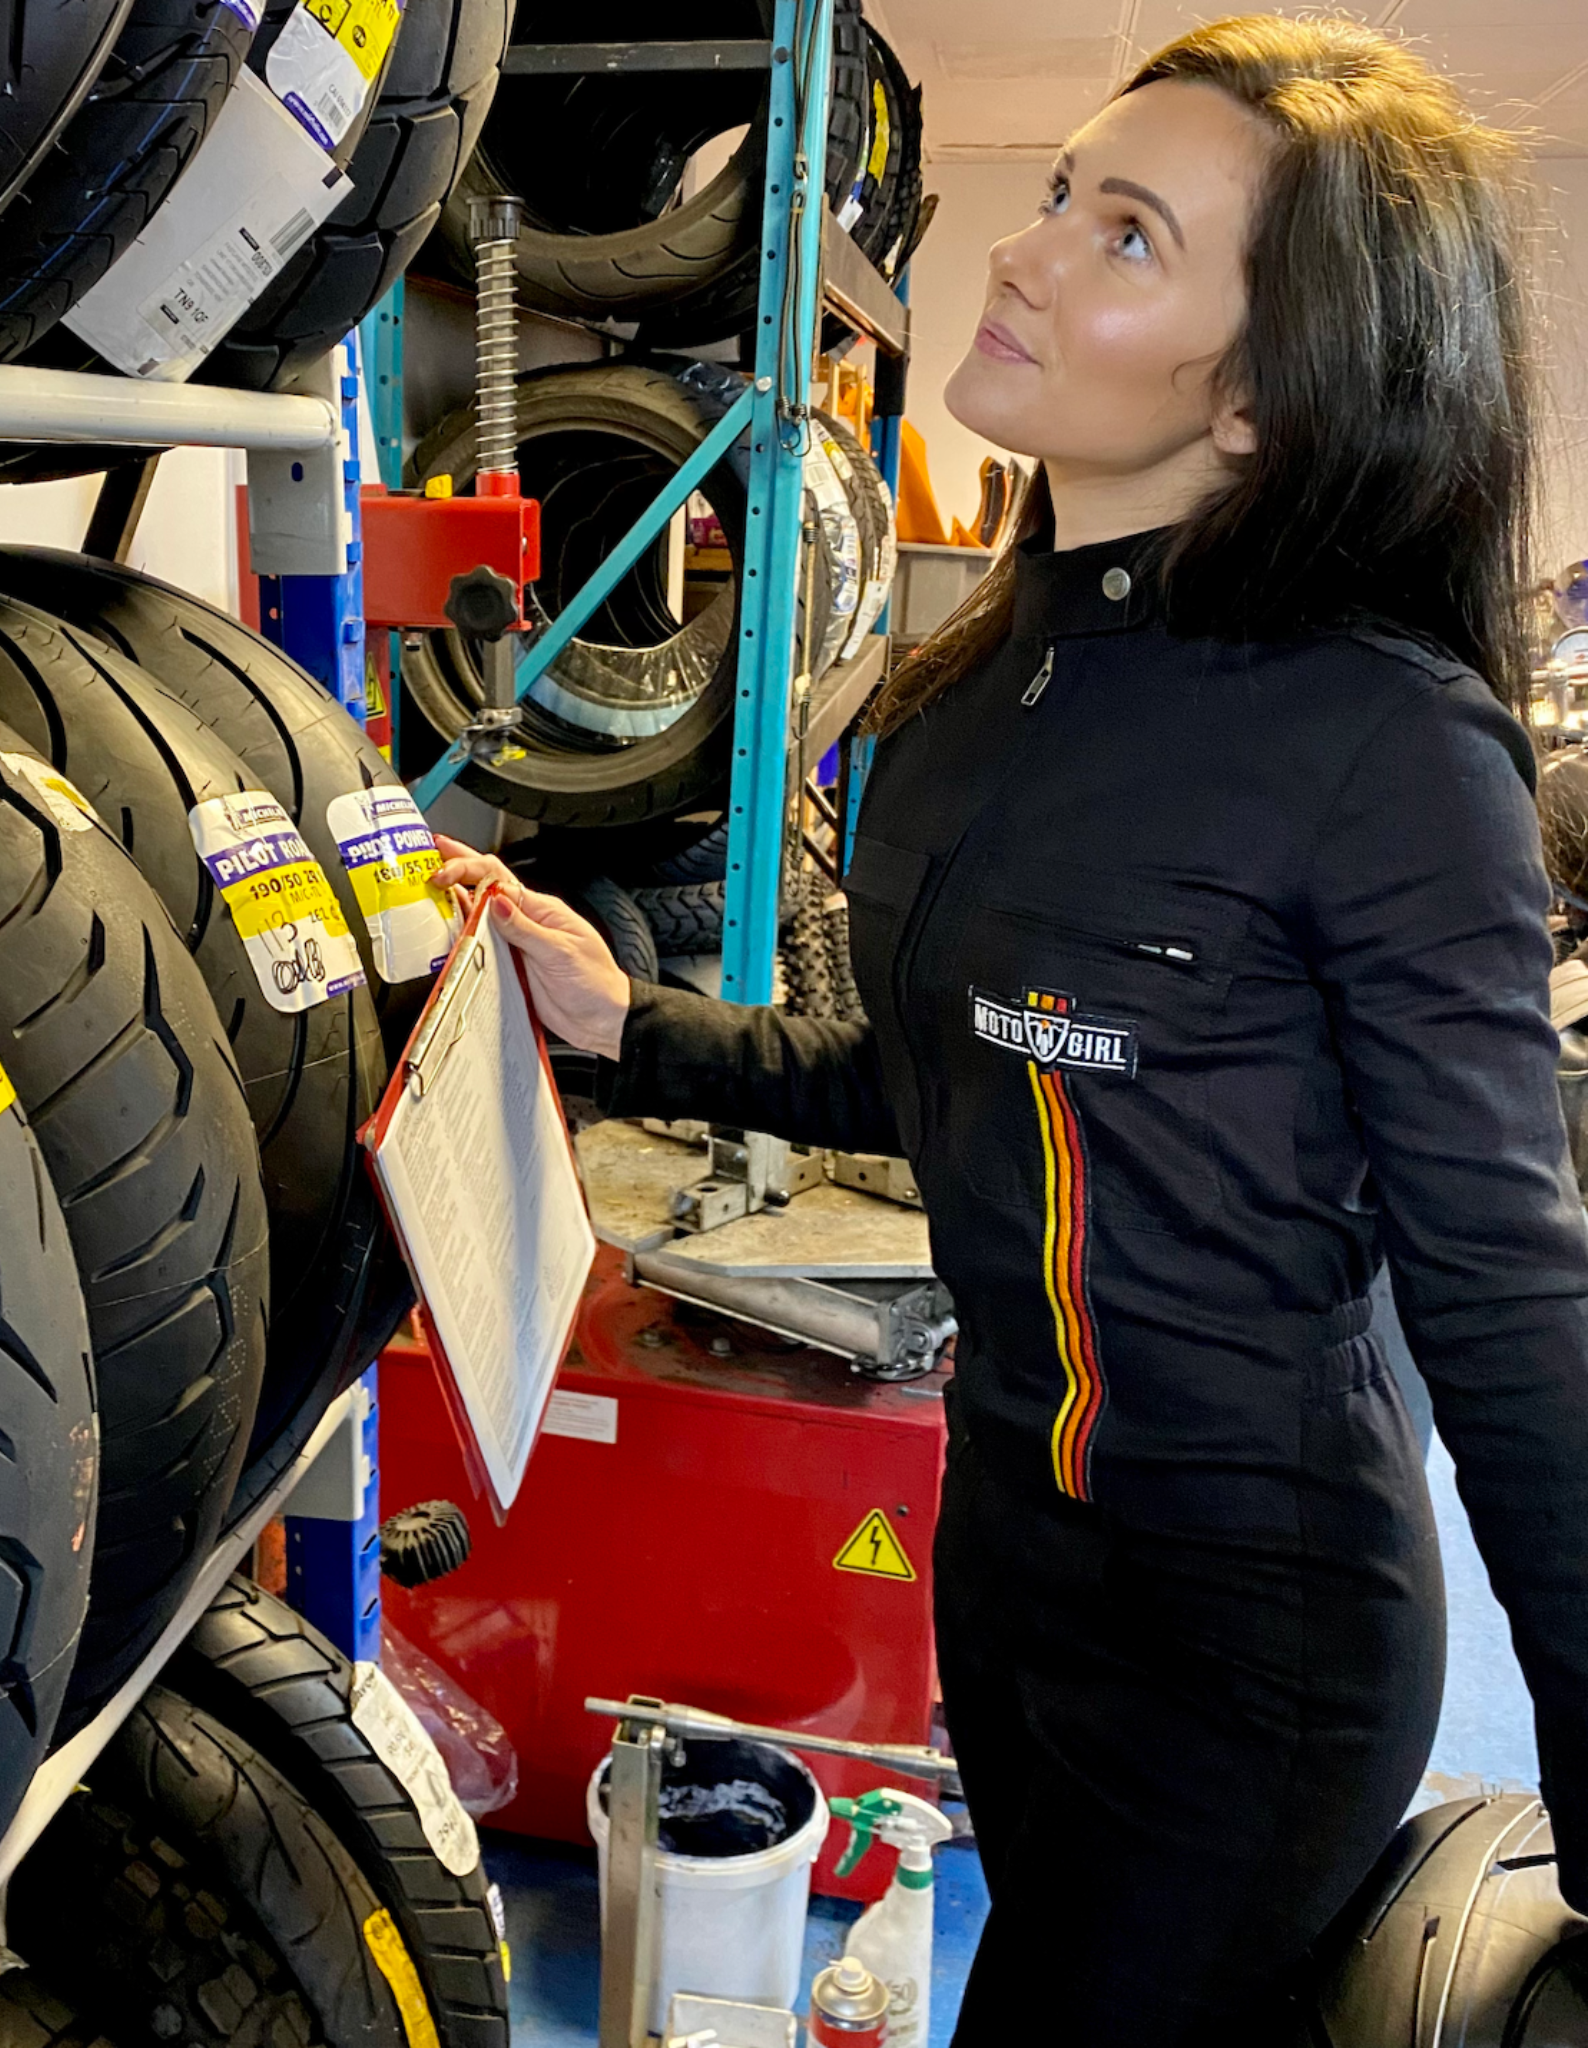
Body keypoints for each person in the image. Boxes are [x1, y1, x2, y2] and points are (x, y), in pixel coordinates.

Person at [433, 17, 1588, 2044]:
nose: (1028, 250)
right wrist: (631, 1021)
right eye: (1059, 193)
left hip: (1253, 1631)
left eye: (1127, 234)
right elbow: (953, 1080)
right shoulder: (971, 692)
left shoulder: (1384, 748)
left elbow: (1510, 1304)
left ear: (1262, 393)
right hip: (1007, 1562)